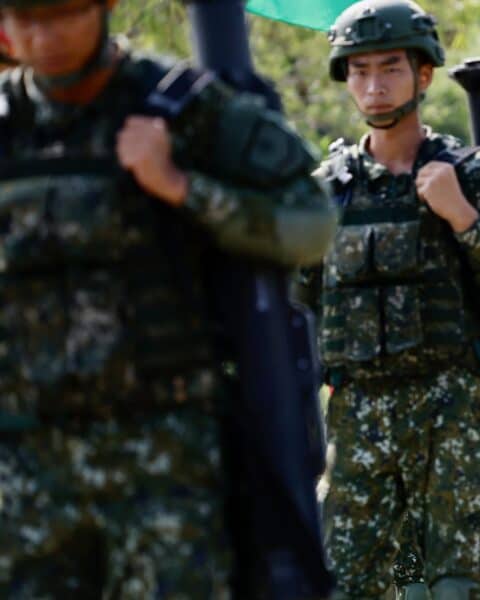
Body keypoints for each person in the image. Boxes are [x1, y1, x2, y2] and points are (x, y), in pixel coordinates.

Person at [0, 0, 336, 596]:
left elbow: (310, 224)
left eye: (62, 14)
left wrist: (180, 187)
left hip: (162, 466)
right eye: (25, 18)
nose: (43, 35)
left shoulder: (183, 109)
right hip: (24, 472)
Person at [306, 1, 480, 597]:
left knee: (454, 586)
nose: (373, 85)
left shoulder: (472, 175)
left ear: (423, 74)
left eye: (389, 68)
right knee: (344, 584)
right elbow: (295, 310)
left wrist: (463, 218)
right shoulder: (325, 192)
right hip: (356, 414)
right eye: (359, 71)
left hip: (454, 413)